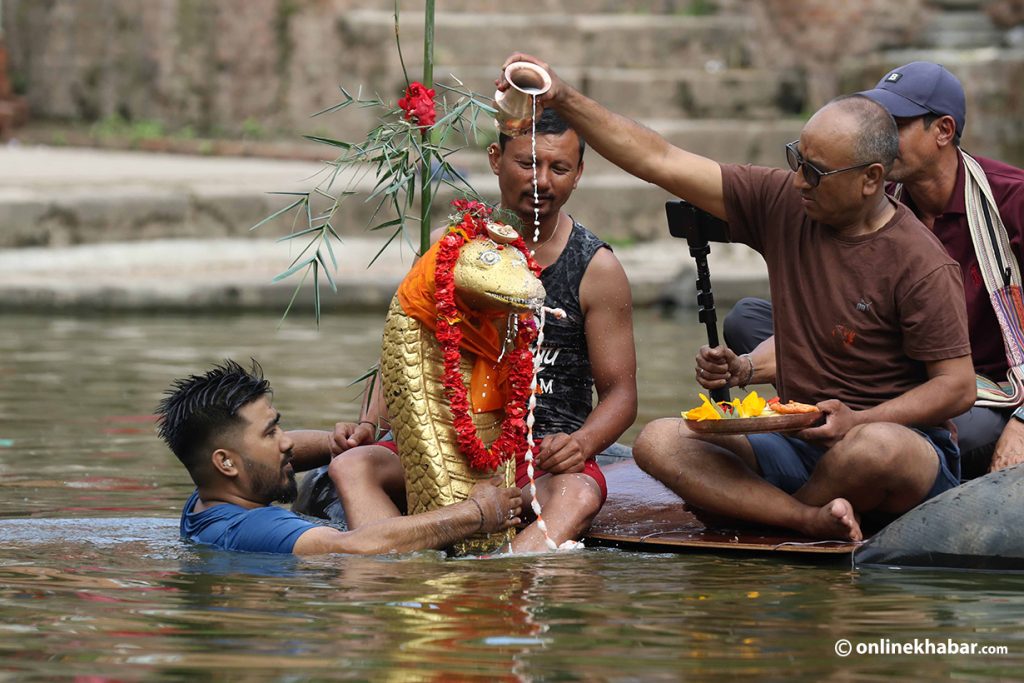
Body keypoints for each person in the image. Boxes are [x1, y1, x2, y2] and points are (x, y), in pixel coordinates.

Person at [497, 53, 976, 542]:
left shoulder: (921, 262)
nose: (798, 181)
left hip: (900, 448)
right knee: (660, 441)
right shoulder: (787, 204)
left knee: (873, 448)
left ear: (871, 180)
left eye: (816, 172)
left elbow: (957, 388)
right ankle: (805, 520)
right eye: (797, 160)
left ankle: (764, 509)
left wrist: (861, 418)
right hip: (797, 441)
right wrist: (563, 97)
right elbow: (659, 159)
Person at [330, 109, 638, 552]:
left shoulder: (597, 267)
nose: (542, 181)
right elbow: (406, 346)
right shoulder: (452, 244)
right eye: (528, 164)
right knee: (351, 466)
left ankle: (501, 573)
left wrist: (581, 443)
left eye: (559, 167)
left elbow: (621, 396)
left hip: (541, 457)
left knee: (580, 494)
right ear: (496, 158)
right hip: (450, 439)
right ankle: (396, 572)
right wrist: (366, 425)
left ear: (579, 174)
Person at [723, 62, 1024, 479]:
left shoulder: (1012, 200)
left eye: (895, 125)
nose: (878, 136)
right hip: (881, 366)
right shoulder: (869, 195)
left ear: (943, 131)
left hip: (984, 390)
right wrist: (747, 369)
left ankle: (855, 444)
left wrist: (1023, 424)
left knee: (966, 435)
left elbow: (959, 387)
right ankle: (833, 428)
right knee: (748, 319)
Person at [155, 359, 522, 555]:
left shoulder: (206, 498)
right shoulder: (253, 528)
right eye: (271, 433)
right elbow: (358, 547)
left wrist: (336, 444)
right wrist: (475, 514)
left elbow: (291, 448)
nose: (285, 443)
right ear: (226, 463)